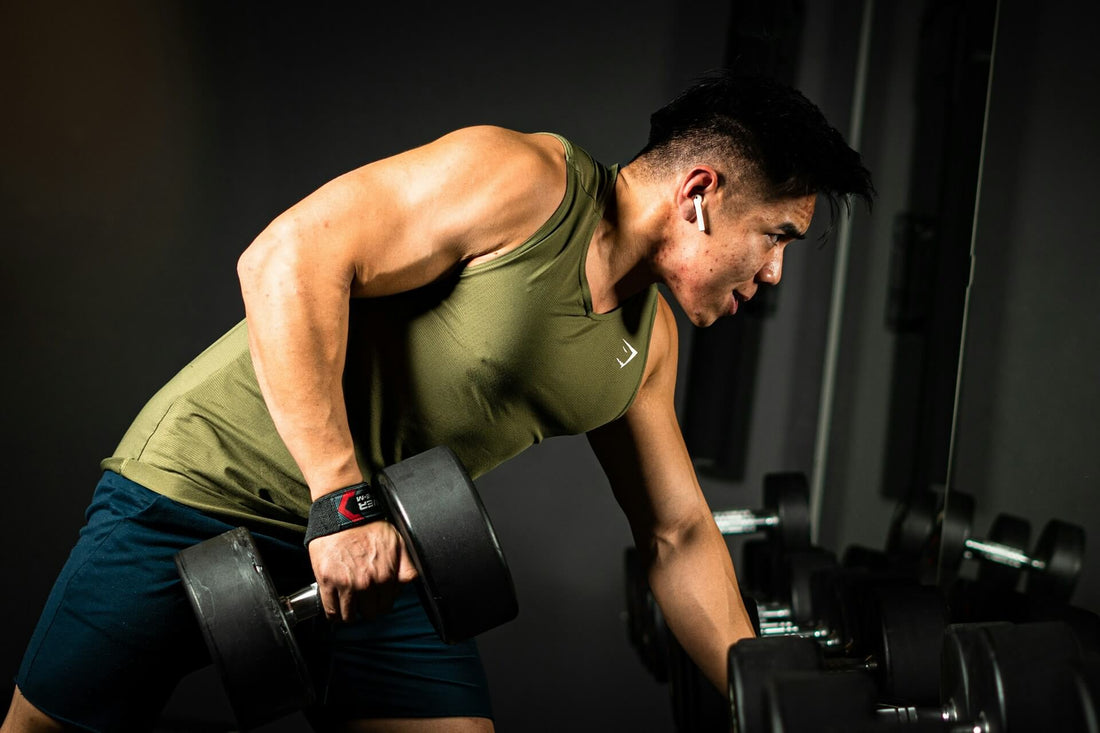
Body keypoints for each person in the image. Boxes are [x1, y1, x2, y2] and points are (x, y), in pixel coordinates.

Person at [3, 72, 872, 733]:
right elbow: (286, 259)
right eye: (777, 237)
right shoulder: (525, 181)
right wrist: (339, 498)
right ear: (701, 196)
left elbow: (678, 534)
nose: (773, 274)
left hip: (379, 549)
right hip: (203, 483)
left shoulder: (647, 344)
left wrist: (769, 700)